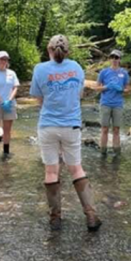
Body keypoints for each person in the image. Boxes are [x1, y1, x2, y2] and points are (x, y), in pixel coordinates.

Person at [30, 34, 102, 232]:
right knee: (76, 169)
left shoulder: (40, 69)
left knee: (51, 171)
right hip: (71, 125)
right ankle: (91, 216)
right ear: (68, 50)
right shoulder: (76, 68)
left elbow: (38, 98)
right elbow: (78, 95)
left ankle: (55, 219)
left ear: (48, 49)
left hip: (47, 125)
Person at [96, 49, 130, 155]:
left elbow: (127, 89)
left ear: (120, 59)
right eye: (112, 57)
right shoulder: (104, 72)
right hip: (105, 103)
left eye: (117, 57)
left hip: (118, 104)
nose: (114, 59)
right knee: (104, 129)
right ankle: (103, 152)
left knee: (116, 130)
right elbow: (97, 88)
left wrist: (122, 90)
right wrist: (106, 87)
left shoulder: (124, 73)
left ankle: (117, 153)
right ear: (110, 59)